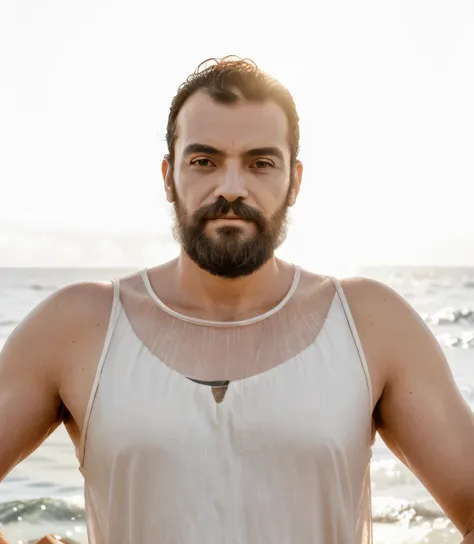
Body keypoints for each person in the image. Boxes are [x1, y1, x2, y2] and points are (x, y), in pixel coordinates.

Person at [0, 57, 473, 544]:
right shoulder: (77, 327)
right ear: (169, 177)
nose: (230, 188)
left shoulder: (370, 323)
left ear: (294, 181)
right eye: (204, 161)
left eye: (260, 163)